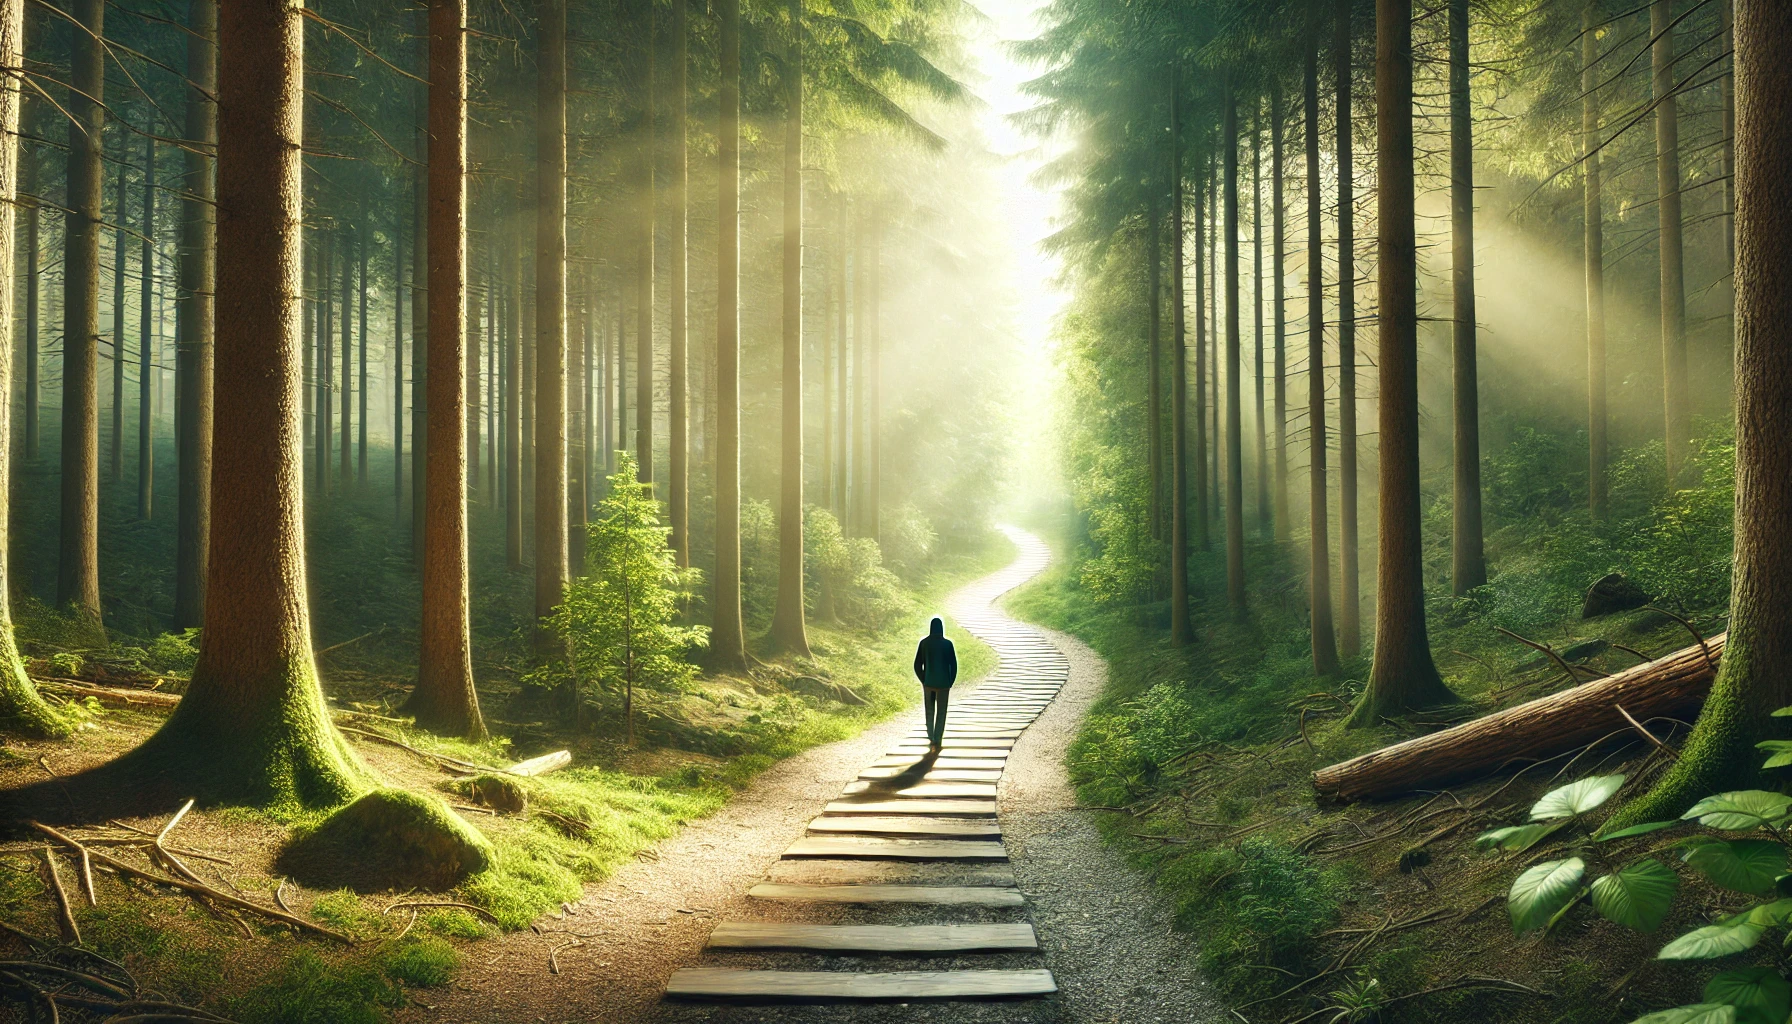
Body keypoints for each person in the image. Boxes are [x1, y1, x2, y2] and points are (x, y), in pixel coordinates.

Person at [913, 616, 958, 751]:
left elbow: (917, 665)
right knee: (941, 711)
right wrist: (950, 681)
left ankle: (930, 735)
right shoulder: (948, 644)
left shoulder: (924, 643)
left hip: (929, 683)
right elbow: (953, 665)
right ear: (941, 628)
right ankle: (938, 737)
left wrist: (924, 679)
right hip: (944, 684)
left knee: (930, 710)